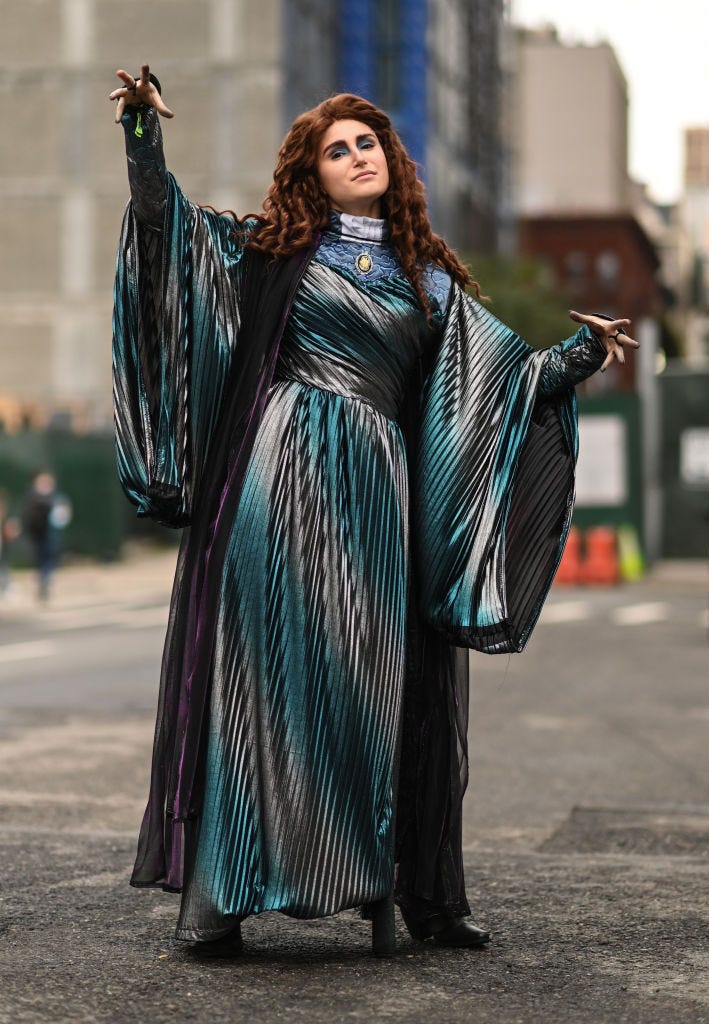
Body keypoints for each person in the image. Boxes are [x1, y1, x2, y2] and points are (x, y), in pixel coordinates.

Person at [110, 65, 637, 958]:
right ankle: (221, 896)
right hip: (277, 474)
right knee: (259, 681)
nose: (357, 155)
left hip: (376, 491)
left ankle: (376, 884)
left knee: (369, 684)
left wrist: (581, 356)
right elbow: (168, 239)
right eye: (336, 148)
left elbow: (498, 389)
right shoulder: (269, 253)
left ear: (391, 160)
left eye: (368, 143)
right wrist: (142, 138)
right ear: (310, 173)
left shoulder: (428, 280)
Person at [22, 471, 72, 601]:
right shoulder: (34, 495)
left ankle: (45, 579)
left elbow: (62, 514)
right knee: (40, 557)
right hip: (37, 532)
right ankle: (43, 579)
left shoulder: (55, 496)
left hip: (49, 532)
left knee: (49, 556)